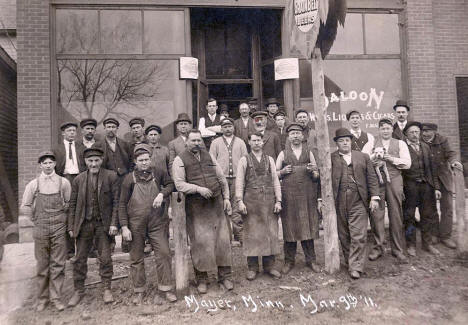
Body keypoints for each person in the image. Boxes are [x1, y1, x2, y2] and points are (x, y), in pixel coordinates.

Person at [172, 129, 233, 294]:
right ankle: (202, 279)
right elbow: (179, 184)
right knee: (199, 243)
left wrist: (226, 198)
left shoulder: (209, 156)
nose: (196, 143)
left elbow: (221, 178)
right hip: (196, 207)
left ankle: (225, 276)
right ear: (187, 142)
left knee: (222, 239)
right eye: (193, 141)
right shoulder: (179, 160)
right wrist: (198, 189)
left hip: (216, 204)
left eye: (199, 140)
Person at [119, 144, 177, 304]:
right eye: (141, 160)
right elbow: (122, 204)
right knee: (136, 258)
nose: (145, 163)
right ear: (135, 162)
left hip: (157, 222)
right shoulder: (128, 179)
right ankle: (139, 290)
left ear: (150, 160)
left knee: (164, 253)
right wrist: (124, 226)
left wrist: (161, 193)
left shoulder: (158, 173)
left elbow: (171, 185)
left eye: (147, 159)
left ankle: (165, 288)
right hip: (135, 225)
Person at [67, 148, 119, 307]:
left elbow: (117, 203)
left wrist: (113, 223)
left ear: (101, 161)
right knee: (79, 259)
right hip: (84, 225)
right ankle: (79, 290)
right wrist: (71, 226)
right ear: (86, 162)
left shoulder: (111, 176)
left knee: (105, 258)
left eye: (96, 160)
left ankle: (106, 288)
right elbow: (73, 204)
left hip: (102, 225)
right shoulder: (78, 180)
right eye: (90, 161)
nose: (94, 163)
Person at [20, 151, 71, 311]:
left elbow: (68, 204)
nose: (48, 166)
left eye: (50, 162)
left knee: (58, 264)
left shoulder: (63, 183)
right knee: (42, 264)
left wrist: (63, 222)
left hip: (59, 227)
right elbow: (25, 206)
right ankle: (42, 298)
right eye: (44, 163)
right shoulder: (33, 184)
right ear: (40, 165)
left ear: (55, 164)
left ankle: (56, 298)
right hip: (40, 227)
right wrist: (33, 220)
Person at [329, 128, 380, 279]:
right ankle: (350, 261)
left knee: (358, 235)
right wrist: (321, 200)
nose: (345, 143)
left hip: (358, 200)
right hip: (339, 201)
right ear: (337, 143)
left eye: (347, 140)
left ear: (351, 141)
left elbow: (372, 178)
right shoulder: (331, 158)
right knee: (344, 234)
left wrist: (374, 197)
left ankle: (356, 267)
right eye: (341, 141)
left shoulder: (363, 157)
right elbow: (324, 180)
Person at [362, 118, 411, 263]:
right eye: (382, 128)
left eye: (388, 128)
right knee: (377, 214)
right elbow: (363, 159)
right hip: (376, 180)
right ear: (379, 130)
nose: (385, 131)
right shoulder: (371, 142)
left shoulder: (400, 143)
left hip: (394, 179)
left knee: (396, 213)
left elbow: (407, 163)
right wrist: (372, 159)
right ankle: (378, 247)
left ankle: (398, 249)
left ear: (392, 129)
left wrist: (391, 159)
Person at [236, 132, 282, 281]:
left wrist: (278, 200)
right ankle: (252, 268)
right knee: (252, 234)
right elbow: (239, 182)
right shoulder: (244, 160)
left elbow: (275, 180)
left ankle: (270, 266)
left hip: (269, 201)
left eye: (259, 140)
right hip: (251, 202)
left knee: (270, 233)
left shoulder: (269, 160)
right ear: (249, 142)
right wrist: (239, 201)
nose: (256, 143)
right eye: (253, 140)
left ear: (262, 142)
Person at [276, 123, 320, 274]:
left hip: (307, 196)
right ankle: (289, 261)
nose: (295, 136)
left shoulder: (309, 152)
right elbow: (274, 175)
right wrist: (281, 172)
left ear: (303, 136)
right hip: (289, 197)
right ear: (288, 137)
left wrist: (313, 172)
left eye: (298, 133)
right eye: (292, 133)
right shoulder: (283, 154)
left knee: (307, 226)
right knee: (290, 228)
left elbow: (316, 175)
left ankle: (311, 260)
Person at [402, 122, 441, 257]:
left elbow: (432, 169)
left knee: (427, 215)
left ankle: (427, 243)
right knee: (409, 216)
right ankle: (411, 245)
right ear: (406, 134)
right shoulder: (403, 147)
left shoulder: (425, 146)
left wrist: (435, 187)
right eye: (412, 132)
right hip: (410, 186)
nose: (415, 134)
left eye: (417, 132)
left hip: (426, 186)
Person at [421, 122, 462, 249]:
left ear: (434, 131)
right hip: (429, 178)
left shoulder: (443, 140)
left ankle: (446, 236)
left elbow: (451, 153)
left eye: (428, 131)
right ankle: (434, 234)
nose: (424, 134)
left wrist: (454, 162)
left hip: (444, 177)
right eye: (423, 131)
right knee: (431, 208)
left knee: (447, 207)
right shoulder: (420, 141)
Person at [210, 118, 248, 243]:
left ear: (233, 127)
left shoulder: (240, 142)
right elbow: (211, 162)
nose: (227, 129)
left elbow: (245, 160)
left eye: (230, 126)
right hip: (222, 180)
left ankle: (239, 235)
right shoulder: (215, 143)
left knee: (237, 206)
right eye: (225, 126)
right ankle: (225, 236)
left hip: (238, 179)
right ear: (221, 129)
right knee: (222, 207)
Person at [53, 121, 86, 259]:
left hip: (80, 179)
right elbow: (54, 169)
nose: (72, 133)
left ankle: (84, 249)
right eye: (69, 131)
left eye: (74, 131)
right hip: (65, 179)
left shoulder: (81, 147)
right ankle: (69, 250)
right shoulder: (57, 149)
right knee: (68, 212)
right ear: (63, 133)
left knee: (81, 210)